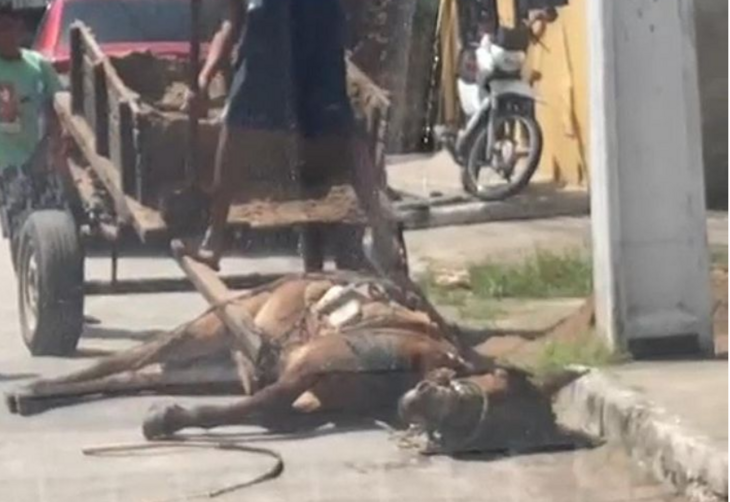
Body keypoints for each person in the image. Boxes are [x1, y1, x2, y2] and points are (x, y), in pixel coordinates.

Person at [184, 0, 360, 271]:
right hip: (266, 50)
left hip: (315, 45)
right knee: (236, 120)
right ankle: (215, 237)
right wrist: (205, 78)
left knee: (344, 129)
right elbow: (231, 22)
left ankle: (381, 229)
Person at [0, 2, 62, 175]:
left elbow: (57, 106)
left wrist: (55, 143)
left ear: (19, 28)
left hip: (34, 159)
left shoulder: (38, 64)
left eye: (7, 27)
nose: (5, 35)